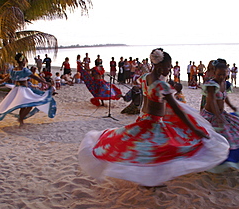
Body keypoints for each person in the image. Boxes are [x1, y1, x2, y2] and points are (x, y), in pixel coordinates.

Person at [78, 48, 229, 187]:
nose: (169, 69)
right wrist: (196, 129)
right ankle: (150, 181)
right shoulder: (161, 86)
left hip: (143, 119)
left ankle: (148, 180)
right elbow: (179, 111)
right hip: (153, 124)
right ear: (159, 67)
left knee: (147, 150)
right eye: (168, 66)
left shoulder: (145, 78)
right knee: (160, 150)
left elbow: (144, 89)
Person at [0, 53, 56, 126]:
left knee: (25, 105)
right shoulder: (24, 70)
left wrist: (2, 81)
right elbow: (34, 77)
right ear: (23, 61)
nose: (26, 61)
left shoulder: (14, 70)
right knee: (29, 104)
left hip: (17, 89)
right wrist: (45, 82)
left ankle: (21, 119)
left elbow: (8, 77)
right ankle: (21, 119)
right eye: (25, 60)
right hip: (22, 90)